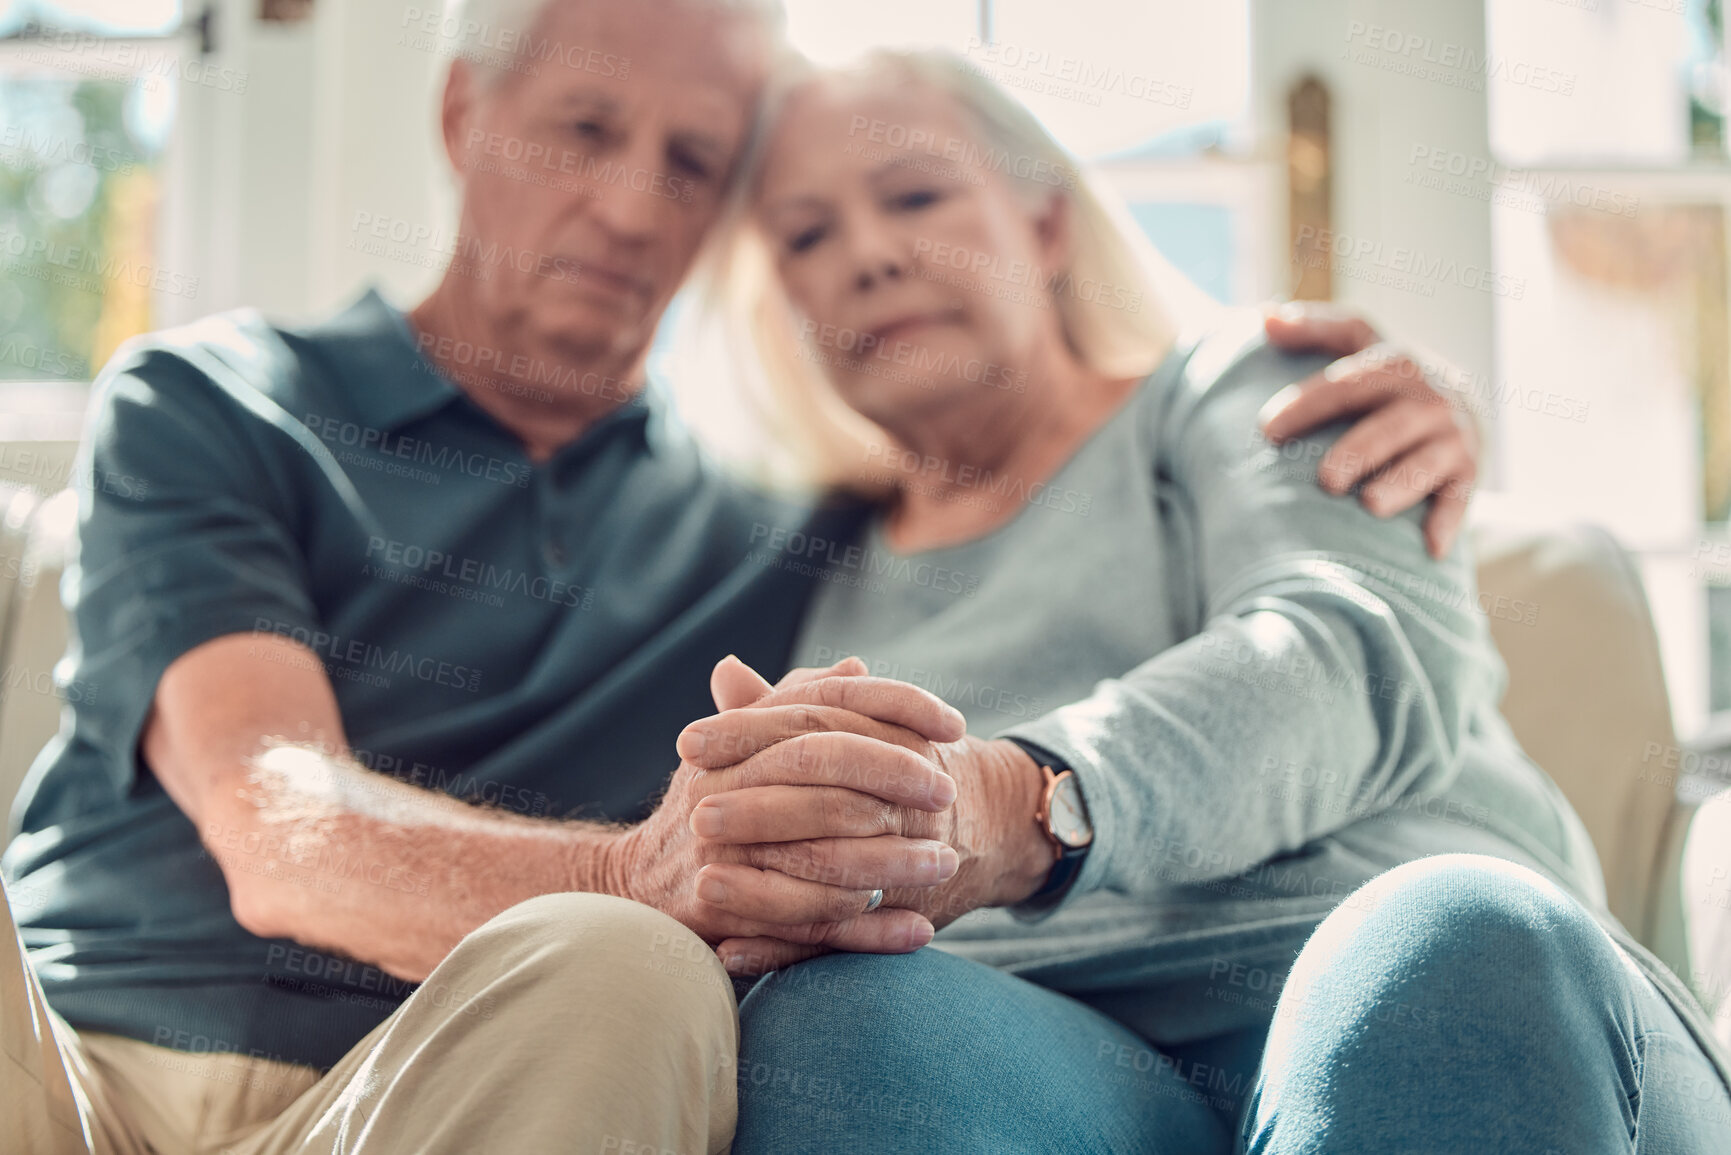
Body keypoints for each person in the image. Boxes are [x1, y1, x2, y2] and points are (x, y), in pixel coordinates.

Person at [0, 2, 1484, 1153]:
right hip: (86, 1045)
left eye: (695, 164)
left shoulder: (780, 509)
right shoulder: (214, 401)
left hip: (458, 1082)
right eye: (583, 129)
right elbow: (280, 826)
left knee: (625, 969)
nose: (635, 207)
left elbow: (1032, 451)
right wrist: (625, 864)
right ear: (466, 113)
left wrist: (1391, 408)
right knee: (620, 922)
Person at [656, 49, 1731, 1152]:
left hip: (1441, 994)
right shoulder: (791, 560)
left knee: (1450, 939)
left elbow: (1343, 651)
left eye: (916, 196)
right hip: (1067, 1059)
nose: (869, 256)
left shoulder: (1249, 384)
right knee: (835, 1028)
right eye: (805, 237)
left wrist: (1030, 803)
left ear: (1046, 224)